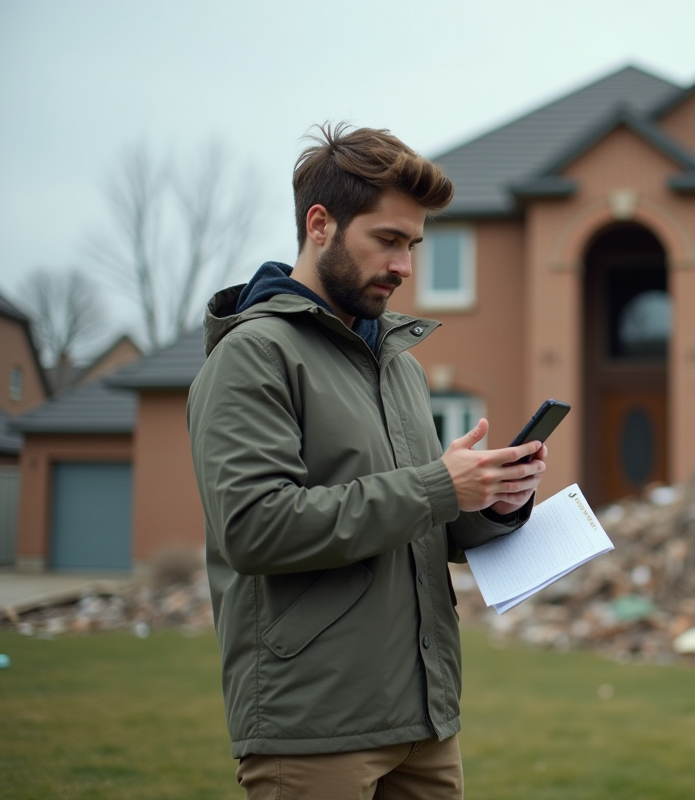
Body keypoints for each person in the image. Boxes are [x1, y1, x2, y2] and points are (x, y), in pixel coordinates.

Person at [187, 122, 548, 800]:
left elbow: (415, 519)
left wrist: (494, 502)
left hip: (425, 718)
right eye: (387, 240)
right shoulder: (254, 356)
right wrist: (440, 486)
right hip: (314, 725)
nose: (405, 266)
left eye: (412, 244)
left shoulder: (397, 368)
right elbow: (255, 527)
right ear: (319, 225)